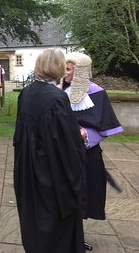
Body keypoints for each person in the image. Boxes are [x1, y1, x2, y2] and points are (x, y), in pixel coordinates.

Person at [13, 48, 85, 253]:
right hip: (50, 175)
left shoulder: (27, 91)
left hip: (28, 169)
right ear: (59, 68)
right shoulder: (56, 98)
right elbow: (66, 147)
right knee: (55, 229)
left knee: (33, 221)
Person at [62, 52, 124, 251]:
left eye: (69, 69)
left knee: (82, 197)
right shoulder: (59, 90)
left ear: (79, 71)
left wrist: (84, 134)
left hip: (87, 155)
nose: (65, 72)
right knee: (64, 196)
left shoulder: (96, 92)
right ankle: (64, 236)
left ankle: (76, 238)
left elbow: (105, 128)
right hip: (63, 154)